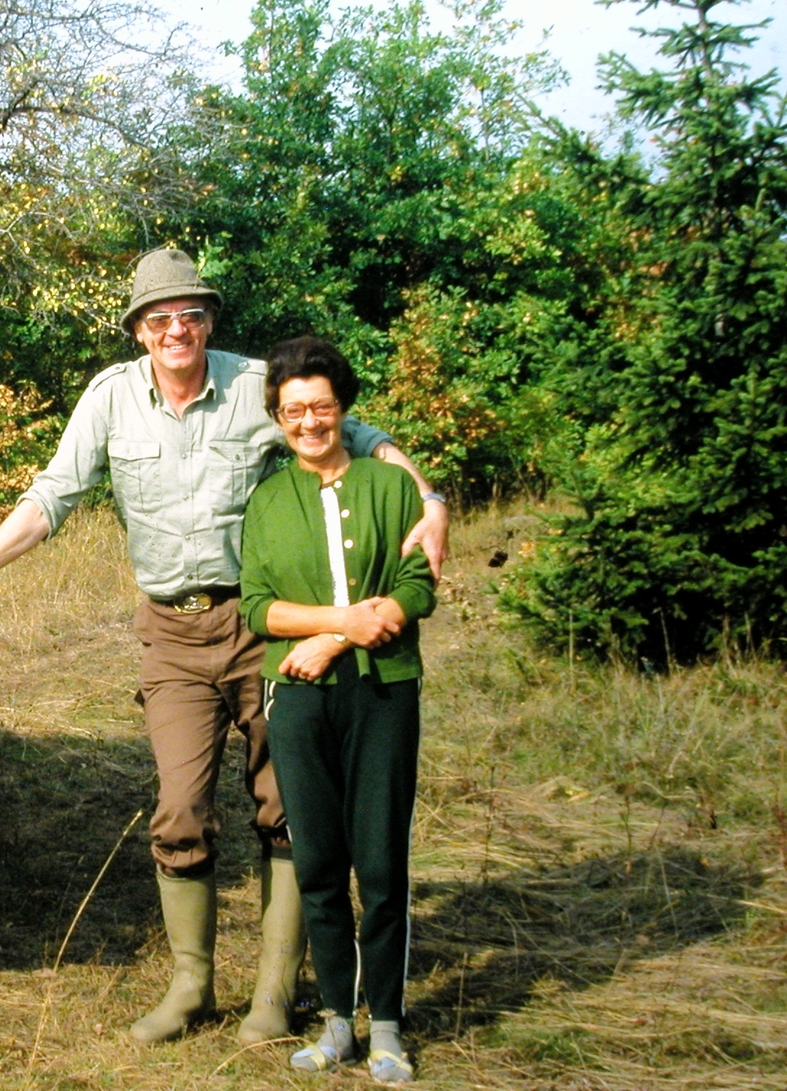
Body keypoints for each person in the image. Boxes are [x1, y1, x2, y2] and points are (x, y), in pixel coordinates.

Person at [0, 250, 447, 1046]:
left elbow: (357, 432)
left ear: (208, 321)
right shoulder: (111, 399)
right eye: (158, 318)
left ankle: (275, 994)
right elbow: (51, 498)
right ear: (139, 331)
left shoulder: (254, 386)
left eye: (190, 315)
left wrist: (430, 499)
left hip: (260, 626)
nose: (175, 329)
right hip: (171, 635)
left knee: (285, 806)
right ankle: (191, 988)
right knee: (179, 809)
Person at [237, 336, 435, 1083]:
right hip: (297, 698)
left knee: (380, 858)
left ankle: (387, 1023)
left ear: (343, 408)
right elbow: (258, 607)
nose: (309, 422)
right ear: (279, 418)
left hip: (383, 691)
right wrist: (332, 628)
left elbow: (418, 586)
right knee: (318, 860)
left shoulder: (390, 488)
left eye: (320, 406)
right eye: (294, 411)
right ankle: (336, 1022)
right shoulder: (267, 500)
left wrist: (351, 634)